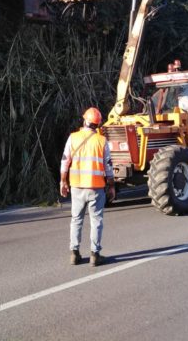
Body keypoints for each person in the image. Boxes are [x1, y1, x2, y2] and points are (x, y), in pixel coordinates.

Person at [60, 107, 115, 267]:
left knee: (76, 219)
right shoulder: (101, 141)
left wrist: (63, 181)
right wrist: (111, 186)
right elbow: (108, 166)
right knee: (96, 220)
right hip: (96, 187)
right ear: (97, 125)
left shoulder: (73, 138)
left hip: (77, 186)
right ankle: (94, 255)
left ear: (85, 121)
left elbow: (65, 161)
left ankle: (74, 254)